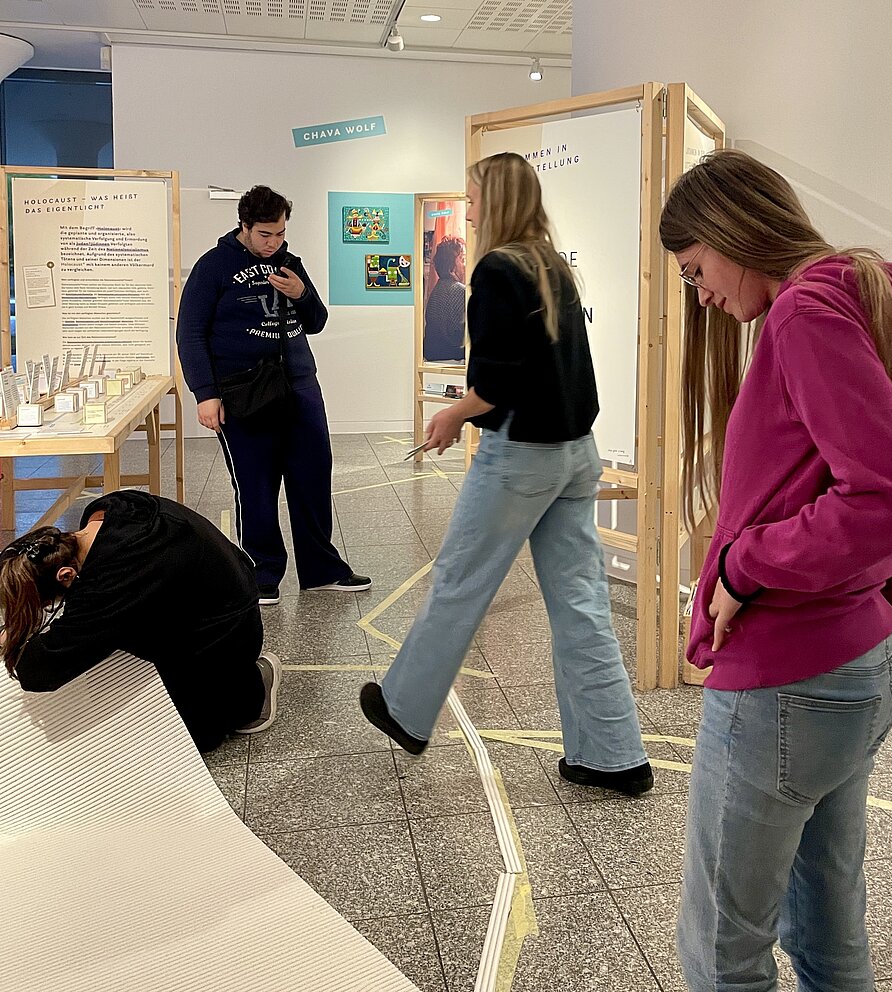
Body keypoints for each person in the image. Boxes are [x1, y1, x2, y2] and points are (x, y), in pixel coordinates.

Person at [660, 149, 892, 991]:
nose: (702, 294)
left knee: (722, 949)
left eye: (696, 269)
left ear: (729, 232)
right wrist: (891, 619)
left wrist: (745, 565)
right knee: (826, 930)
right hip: (854, 662)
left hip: (788, 678)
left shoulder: (802, 315)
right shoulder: (858, 298)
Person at [359, 151, 653, 796]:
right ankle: (614, 754)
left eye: (472, 198)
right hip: (578, 452)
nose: (467, 209)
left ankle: (406, 711)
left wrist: (453, 417)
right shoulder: (551, 265)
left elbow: (494, 382)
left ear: (495, 200)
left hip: (521, 454)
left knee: (460, 581)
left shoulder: (496, 268)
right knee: (583, 606)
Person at [177, 185, 370, 606]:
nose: (274, 243)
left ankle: (321, 570)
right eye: (265, 234)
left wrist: (301, 293)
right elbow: (189, 333)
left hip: (299, 386)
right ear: (244, 226)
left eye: (281, 233)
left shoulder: (288, 262)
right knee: (255, 484)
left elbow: (317, 321)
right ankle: (261, 574)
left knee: (313, 477)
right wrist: (205, 393)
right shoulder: (213, 267)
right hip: (242, 391)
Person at [0, 490, 281, 752]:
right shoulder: (107, 513)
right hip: (219, 594)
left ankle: (252, 686)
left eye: (49, 603)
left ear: (65, 575)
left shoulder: (117, 572)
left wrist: (11, 640)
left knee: (193, 739)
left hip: (230, 633)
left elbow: (39, 671)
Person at [423, 235, 467, 362]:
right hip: (453, 362)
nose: (464, 265)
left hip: (432, 359)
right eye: (462, 259)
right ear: (451, 268)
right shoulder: (460, 291)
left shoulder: (436, 291)